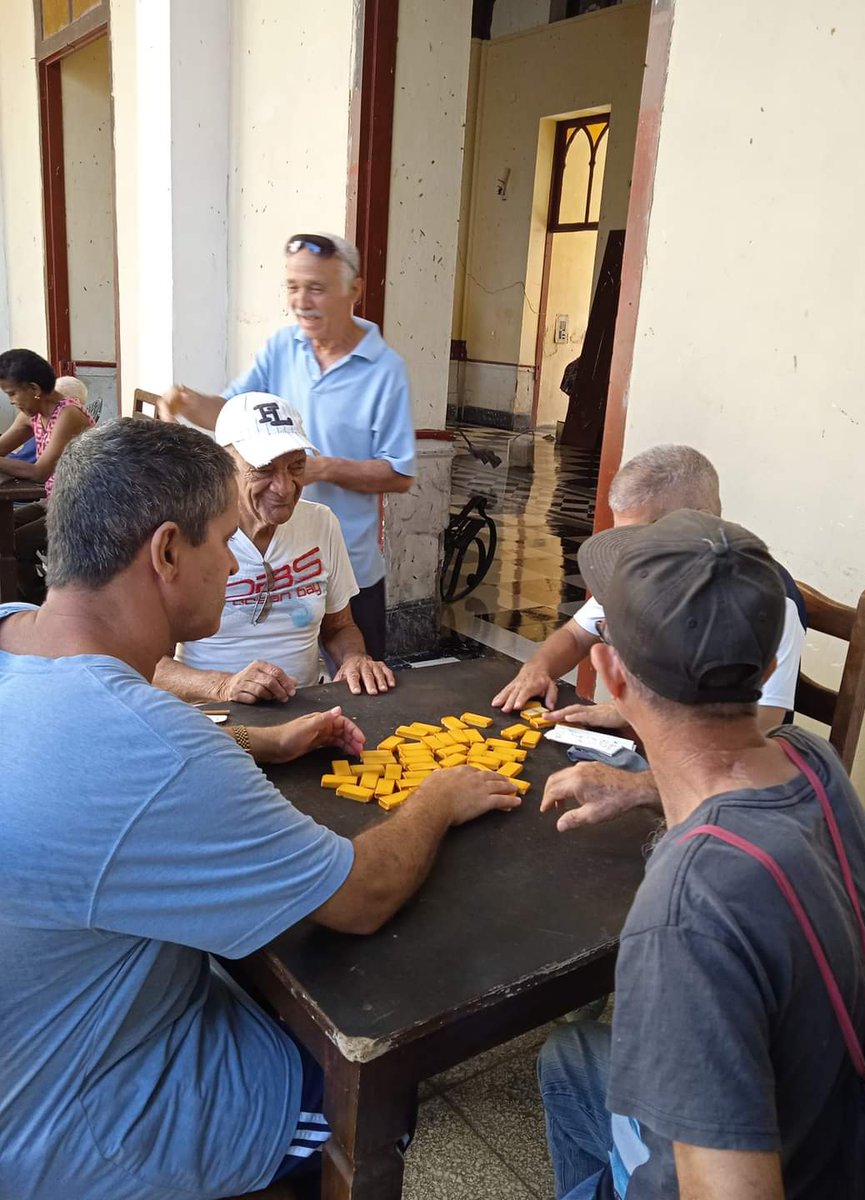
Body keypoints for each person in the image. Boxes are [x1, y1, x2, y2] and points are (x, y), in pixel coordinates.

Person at [0, 418, 518, 1200]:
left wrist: (257, 743)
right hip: (68, 1125)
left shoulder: (12, 631)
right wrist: (437, 797)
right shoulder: (161, 750)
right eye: (224, 539)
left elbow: (99, 766)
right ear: (168, 553)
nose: (236, 557)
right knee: (367, 1086)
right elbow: (361, 897)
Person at [537, 509, 865, 1200]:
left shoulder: (686, 911)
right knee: (569, 1056)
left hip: (789, 1168)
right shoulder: (813, 762)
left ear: (609, 672)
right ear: (765, 670)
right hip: (846, 1133)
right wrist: (642, 790)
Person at [492, 445, 807, 829]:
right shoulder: (646, 575)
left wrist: (637, 754)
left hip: (723, 799)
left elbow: (755, 732)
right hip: (662, 750)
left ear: (694, 520)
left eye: (640, 541)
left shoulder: (760, 602)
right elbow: (576, 633)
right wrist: (537, 666)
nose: (629, 557)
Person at [158, 232, 416, 660]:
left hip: (346, 559)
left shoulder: (385, 370)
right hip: (260, 548)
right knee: (260, 675)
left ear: (354, 290)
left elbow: (401, 473)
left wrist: (321, 468)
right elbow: (233, 413)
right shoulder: (283, 346)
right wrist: (188, 401)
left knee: (357, 678)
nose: (301, 301)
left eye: (316, 288)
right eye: (293, 287)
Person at [153, 392, 395, 704]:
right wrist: (224, 686)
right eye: (264, 469)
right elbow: (152, 665)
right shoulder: (185, 534)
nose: (284, 487)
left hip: (303, 710)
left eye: (296, 466)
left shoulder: (321, 523)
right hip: (212, 719)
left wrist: (354, 659)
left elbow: (339, 627)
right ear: (225, 467)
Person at [0, 349, 95, 602]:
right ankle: (31, 600)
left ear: (33, 388)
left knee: (15, 544)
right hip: (53, 501)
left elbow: (40, 472)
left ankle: (41, 606)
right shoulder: (33, 414)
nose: (11, 401)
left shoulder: (68, 414)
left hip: (83, 506)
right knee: (3, 532)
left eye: (11, 393)